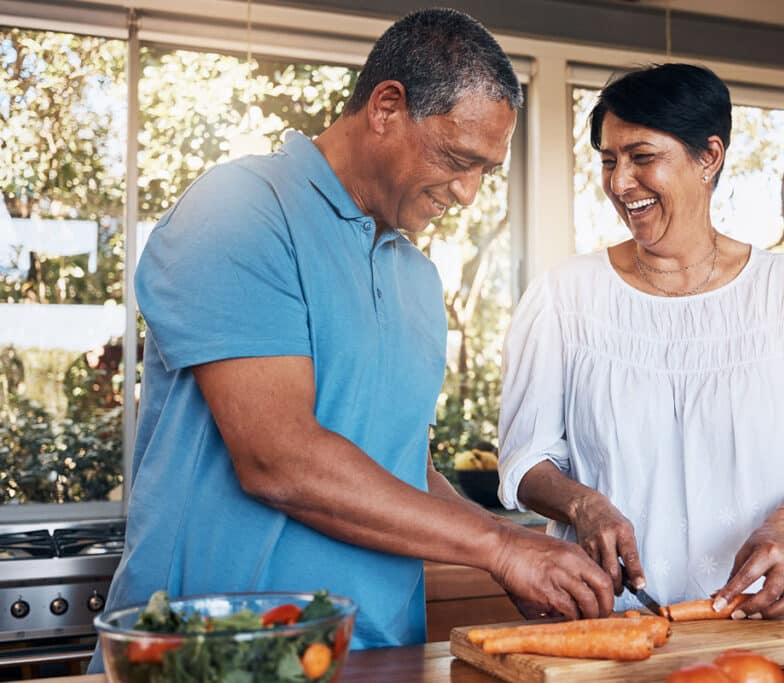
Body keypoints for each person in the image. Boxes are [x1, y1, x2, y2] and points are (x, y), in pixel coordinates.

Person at [92, 9, 614, 668]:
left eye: (485, 169)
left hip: (379, 655)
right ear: (387, 107)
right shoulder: (242, 210)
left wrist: (513, 552)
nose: (468, 192)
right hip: (215, 658)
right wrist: (501, 546)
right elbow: (278, 457)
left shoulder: (417, 278)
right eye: (457, 159)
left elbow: (401, 467)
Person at [498, 63, 784, 621]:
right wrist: (583, 505)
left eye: (642, 157)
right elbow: (526, 459)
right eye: (609, 161)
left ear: (709, 157)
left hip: (767, 622)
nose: (620, 182)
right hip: (616, 624)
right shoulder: (564, 298)